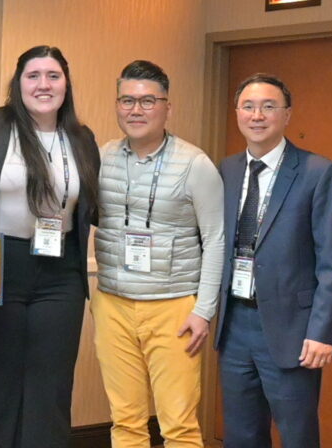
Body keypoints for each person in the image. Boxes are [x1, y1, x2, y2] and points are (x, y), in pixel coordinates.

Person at [0, 45, 101, 448]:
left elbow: (93, 207)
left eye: (53, 76)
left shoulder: (82, 138)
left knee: (51, 388)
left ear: (66, 83)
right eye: (33, 75)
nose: (43, 85)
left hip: (60, 272)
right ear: (18, 83)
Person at [214, 74, 332, 448]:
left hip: (293, 329)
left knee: (297, 435)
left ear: (287, 114)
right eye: (248, 106)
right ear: (237, 113)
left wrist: (323, 331)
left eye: (268, 107)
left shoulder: (318, 173)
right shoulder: (227, 171)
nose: (257, 115)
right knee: (241, 435)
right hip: (235, 324)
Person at [92, 60, 225, 448]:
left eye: (148, 101)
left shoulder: (195, 164)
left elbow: (215, 240)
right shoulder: (103, 157)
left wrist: (203, 310)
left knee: (179, 426)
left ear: (168, 107)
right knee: (125, 421)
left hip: (174, 306)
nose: (136, 110)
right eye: (127, 100)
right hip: (113, 303)